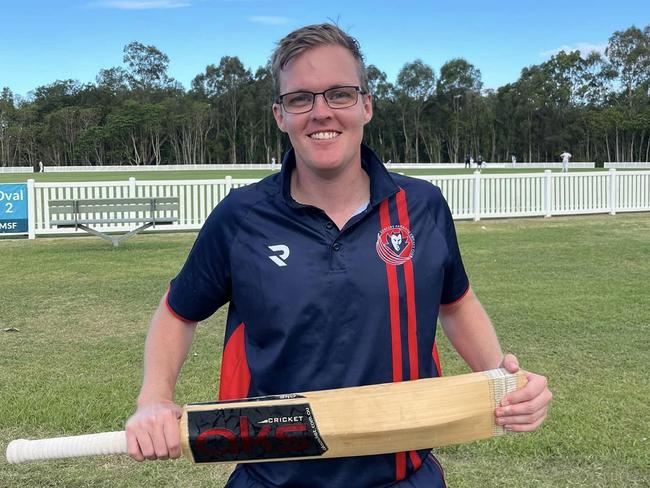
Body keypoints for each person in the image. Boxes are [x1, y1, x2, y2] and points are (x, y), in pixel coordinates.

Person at [125, 23, 552, 488]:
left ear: (366, 105)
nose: (321, 112)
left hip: (402, 476)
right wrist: (154, 397)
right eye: (300, 98)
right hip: (273, 478)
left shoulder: (423, 207)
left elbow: (457, 302)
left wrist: (502, 384)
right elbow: (177, 312)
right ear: (280, 115)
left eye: (340, 94)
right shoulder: (241, 217)